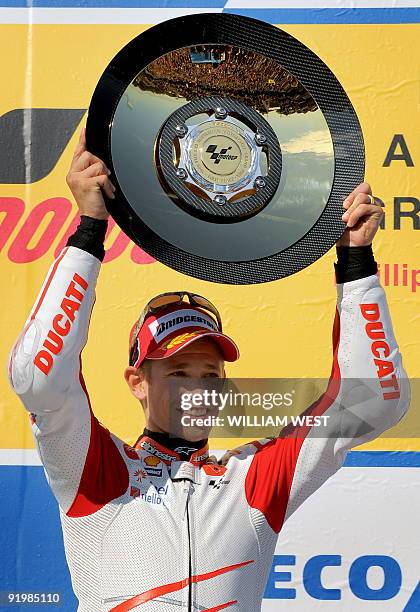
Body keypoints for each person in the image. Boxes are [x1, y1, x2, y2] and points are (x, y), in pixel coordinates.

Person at [7, 128, 410, 612]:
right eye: (178, 373)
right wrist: (90, 228)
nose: (198, 389)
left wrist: (356, 259)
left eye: (210, 375)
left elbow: (374, 399)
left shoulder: (251, 478)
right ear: (138, 381)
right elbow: (38, 375)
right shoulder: (99, 471)